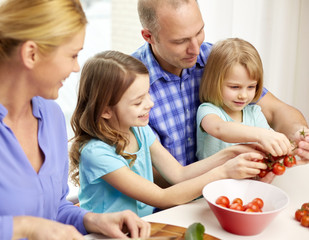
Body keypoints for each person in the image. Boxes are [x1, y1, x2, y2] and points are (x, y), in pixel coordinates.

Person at [0, 1, 150, 239]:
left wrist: (94, 220)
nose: (76, 67)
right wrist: (24, 227)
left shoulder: (51, 116)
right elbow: (35, 225)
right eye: (72, 55)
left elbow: (55, 209)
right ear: (31, 54)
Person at [69, 50, 267, 218]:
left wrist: (230, 154)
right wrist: (224, 172)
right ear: (105, 110)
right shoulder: (96, 153)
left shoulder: (139, 130)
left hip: (143, 228)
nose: (150, 103)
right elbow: (161, 198)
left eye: (148, 94)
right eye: (138, 102)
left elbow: (179, 175)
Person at [132, 0, 309, 186]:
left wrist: (299, 134)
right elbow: (146, 174)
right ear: (148, 36)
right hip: (170, 205)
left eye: (199, 32)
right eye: (180, 41)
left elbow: (276, 110)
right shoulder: (128, 83)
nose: (195, 48)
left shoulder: (217, 58)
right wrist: (225, 172)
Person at [196, 38, 292, 159]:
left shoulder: (255, 113)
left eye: (251, 87)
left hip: (248, 177)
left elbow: (269, 145)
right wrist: (262, 135)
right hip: (214, 178)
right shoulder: (208, 110)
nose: (244, 95)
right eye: (235, 87)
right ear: (215, 83)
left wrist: (287, 147)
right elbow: (219, 128)